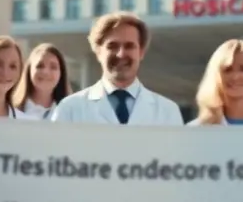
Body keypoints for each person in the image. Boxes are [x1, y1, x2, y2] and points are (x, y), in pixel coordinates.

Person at [51, 12, 183, 125]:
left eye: (129, 46)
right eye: (112, 46)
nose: (121, 54)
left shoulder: (167, 112)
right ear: (98, 52)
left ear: (141, 52)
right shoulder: (70, 109)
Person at [14, 43, 71, 120]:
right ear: (29, 70)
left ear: (61, 73)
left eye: (53, 67)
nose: (46, 72)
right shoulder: (12, 111)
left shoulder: (70, 112)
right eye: (40, 66)